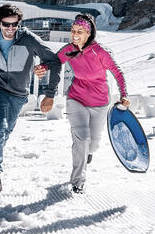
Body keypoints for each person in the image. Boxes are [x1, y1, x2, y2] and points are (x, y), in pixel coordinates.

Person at [0, 3, 62, 194]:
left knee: (5, 132)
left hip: (19, 93)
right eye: (6, 24)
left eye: (14, 25)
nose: (10, 29)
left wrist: (49, 94)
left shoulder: (28, 39)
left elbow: (54, 60)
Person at [54, 12, 129, 194]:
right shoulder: (69, 49)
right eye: (73, 30)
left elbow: (118, 73)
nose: (75, 34)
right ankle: (78, 181)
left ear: (89, 33)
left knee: (92, 144)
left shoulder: (100, 52)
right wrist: (43, 67)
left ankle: (87, 153)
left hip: (99, 103)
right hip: (76, 98)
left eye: (80, 31)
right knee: (81, 139)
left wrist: (124, 94)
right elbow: (54, 61)